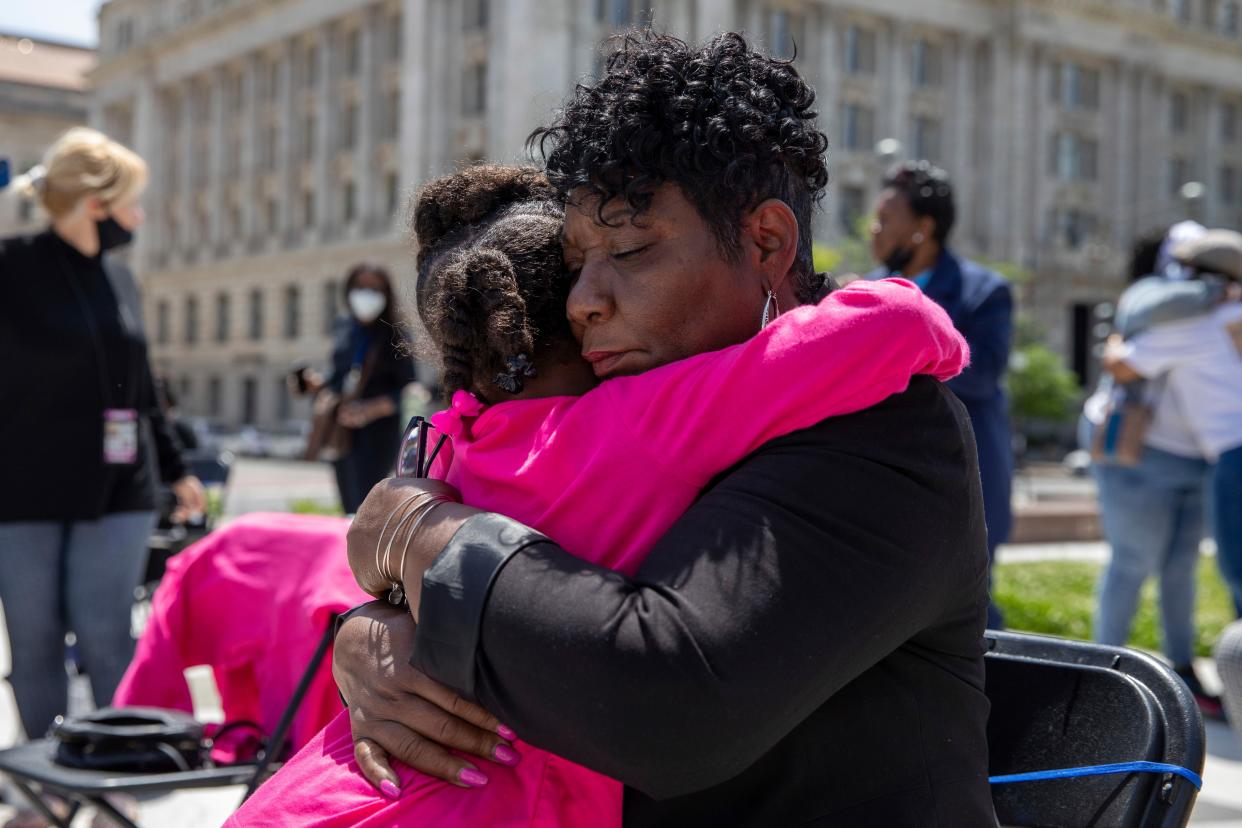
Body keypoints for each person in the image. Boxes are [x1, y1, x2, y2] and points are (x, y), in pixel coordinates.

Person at [328, 33, 997, 826]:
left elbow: (669, 706)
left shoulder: (884, 427)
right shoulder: (623, 410)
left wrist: (421, 534)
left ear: (766, 243)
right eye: (577, 262)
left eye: (632, 251)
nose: (584, 300)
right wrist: (373, 629)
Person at [0, 128, 205, 826]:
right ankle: (42, 775)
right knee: (32, 637)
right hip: (23, 486)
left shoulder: (121, 277)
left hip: (120, 487)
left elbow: (141, 388)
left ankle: (113, 770)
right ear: (93, 202)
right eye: (130, 202)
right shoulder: (11, 264)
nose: (137, 218)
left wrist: (176, 467)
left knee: (106, 632)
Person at [1080, 225, 1224, 716]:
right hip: (1139, 456)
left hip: (1198, 456)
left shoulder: (1206, 308)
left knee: (1181, 566)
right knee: (1132, 561)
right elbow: (1120, 365)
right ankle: (1103, 670)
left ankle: (1182, 669)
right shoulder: (1168, 306)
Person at [867, 160, 1014, 629]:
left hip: (963, 473)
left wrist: (891, 347)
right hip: (888, 472)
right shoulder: (870, 290)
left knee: (970, 609)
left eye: (886, 220)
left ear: (922, 229)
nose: (874, 231)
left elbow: (982, 373)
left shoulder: (984, 292)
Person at [1103, 229, 1242, 619]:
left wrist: (1115, 338)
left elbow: (1121, 367)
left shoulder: (1194, 324)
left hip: (1234, 457)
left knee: (1239, 577)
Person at [295, 264, 416, 513]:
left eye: (374, 288)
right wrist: (317, 383)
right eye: (360, 287)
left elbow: (409, 389)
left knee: (369, 507)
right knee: (348, 506)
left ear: (385, 293)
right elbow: (340, 375)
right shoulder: (344, 326)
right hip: (343, 430)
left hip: (377, 432)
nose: (366, 294)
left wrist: (373, 408)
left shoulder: (395, 333)